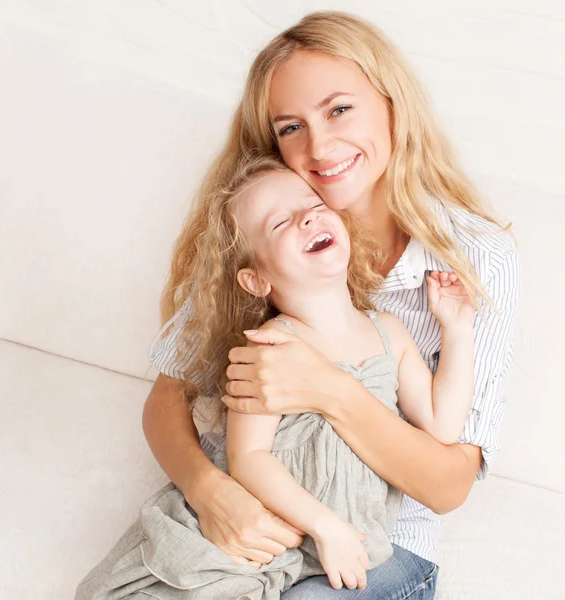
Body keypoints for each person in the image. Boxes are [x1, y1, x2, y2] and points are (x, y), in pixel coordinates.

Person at [144, 11, 519, 599]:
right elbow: (167, 399)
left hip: (381, 541)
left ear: (392, 103)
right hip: (255, 513)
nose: (319, 145)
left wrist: (328, 388)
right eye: (290, 127)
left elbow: (448, 484)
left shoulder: (474, 256)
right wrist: (212, 492)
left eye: (339, 109)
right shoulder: (268, 221)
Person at [76, 156, 477, 600]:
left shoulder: (390, 335)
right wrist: (325, 527)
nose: (307, 216)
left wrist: (457, 331)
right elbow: (249, 457)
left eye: (312, 203)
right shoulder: (268, 347)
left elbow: (442, 426)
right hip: (269, 537)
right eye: (281, 222)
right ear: (256, 279)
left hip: (346, 550)